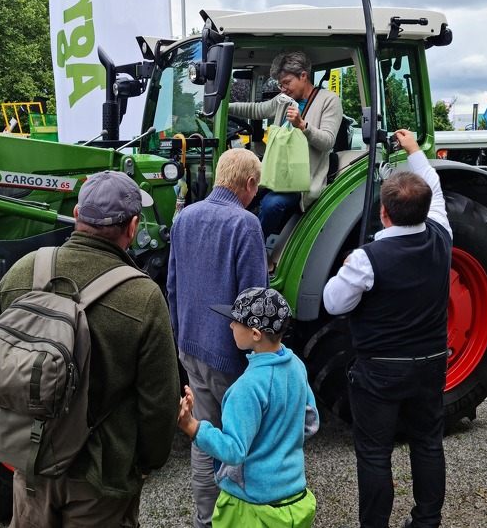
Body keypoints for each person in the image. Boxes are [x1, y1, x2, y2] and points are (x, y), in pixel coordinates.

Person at [0, 171, 180, 527]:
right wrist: (146, 464)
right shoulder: (144, 297)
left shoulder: (22, 272)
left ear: (77, 214)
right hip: (101, 475)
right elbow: (159, 403)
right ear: (134, 226)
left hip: (30, 462)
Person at [322, 129, 451, 528]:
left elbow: (332, 302)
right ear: (426, 210)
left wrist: (345, 271)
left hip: (380, 370)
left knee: (375, 453)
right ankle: (427, 521)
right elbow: (434, 185)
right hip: (432, 364)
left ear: (383, 212)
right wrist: (414, 149)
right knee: (428, 443)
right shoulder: (442, 234)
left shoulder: (365, 260)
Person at [166, 147, 268, 528]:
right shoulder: (245, 225)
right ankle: (240, 518)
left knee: (204, 436)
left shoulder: (184, 217)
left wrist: (179, 339)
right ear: (249, 183)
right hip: (230, 356)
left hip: (191, 346)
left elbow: (172, 286)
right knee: (242, 444)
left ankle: (205, 520)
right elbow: (255, 299)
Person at [176, 286, 319, 527]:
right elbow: (310, 422)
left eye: (235, 321)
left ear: (254, 333)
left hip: (252, 509)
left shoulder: (246, 388)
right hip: (294, 496)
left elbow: (233, 451)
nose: (230, 326)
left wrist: (192, 426)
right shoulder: (296, 365)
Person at [228, 51, 343, 237]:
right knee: (235, 192)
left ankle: (257, 249)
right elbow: (257, 109)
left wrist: (303, 126)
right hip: (275, 171)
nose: (283, 89)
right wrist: (224, 107)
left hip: (302, 180)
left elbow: (327, 141)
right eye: (280, 84)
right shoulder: (284, 100)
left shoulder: (329, 100)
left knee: (272, 204)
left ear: (303, 76)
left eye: (287, 83)